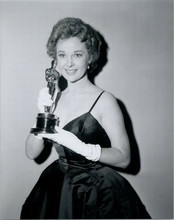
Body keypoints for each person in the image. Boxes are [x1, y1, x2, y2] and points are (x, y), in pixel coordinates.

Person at [20, 17, 151, 219]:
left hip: (95, 193)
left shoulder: (105, 100)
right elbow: (32, 153)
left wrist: (85, 149)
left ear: (90, 58)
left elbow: (125, 158)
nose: (69, 63)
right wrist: (44, 114)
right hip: (56, 186)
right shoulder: (53, 97)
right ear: (55, 59)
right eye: (62, 55)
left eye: (77, 55)